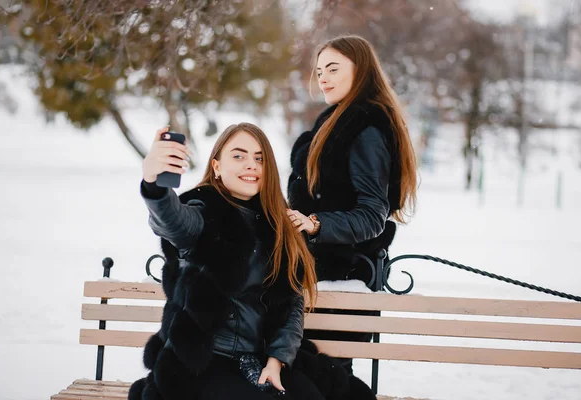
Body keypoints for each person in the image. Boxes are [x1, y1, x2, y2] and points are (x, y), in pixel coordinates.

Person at [128, 123, 376, 400]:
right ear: (217, 167)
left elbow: (291, 304)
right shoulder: (202, 214)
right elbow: (172, 221)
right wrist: (154, 185)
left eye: (259, 158)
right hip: (202, 363)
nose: (251, 165)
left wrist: (277, 359)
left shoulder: (280, 226)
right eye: (238, 155)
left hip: (260, 357)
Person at [287, 35, 418, 373]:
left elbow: (373, 215)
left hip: (339, 280)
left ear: (361, 71)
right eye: (319, 72)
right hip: (316, 277)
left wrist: (316, 224)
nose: (323, 78)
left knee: (319, 382)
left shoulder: (365, 127)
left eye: (333, 69)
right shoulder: (338, 120)